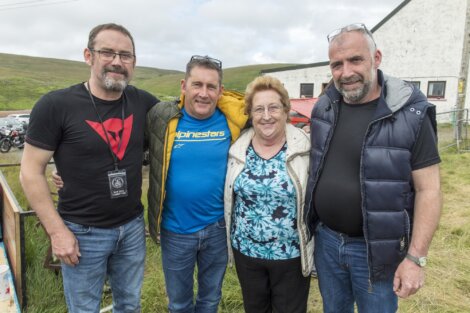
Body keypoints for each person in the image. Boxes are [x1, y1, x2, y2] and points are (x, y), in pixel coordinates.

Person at [303, 23, 442, 313]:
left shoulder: (410, 113)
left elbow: (429, 189)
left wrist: (416, 258)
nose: (346, 72)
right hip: (327, 243)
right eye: (336, 64)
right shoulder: (324, 109)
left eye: (355, 60)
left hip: (377, 253)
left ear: (376, 58)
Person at [19, 23, 158, 313]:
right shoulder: (56, 105)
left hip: (132, 227)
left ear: (134, 62)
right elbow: (30, 172)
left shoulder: (143, 102)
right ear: (88, 55)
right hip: (81, 231)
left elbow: (182, 124)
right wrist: (58, 233)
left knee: (130, 304)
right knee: (84, 309)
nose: (117, 62)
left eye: (126, 55)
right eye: (107, 52)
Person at [145, 55, 248, 313]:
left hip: (217, 229)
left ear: (220, 91)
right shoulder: (162, 119)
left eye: (211, 87)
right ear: (183, 86)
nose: (203, 93)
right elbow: (125, 151)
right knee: (179, 304)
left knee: (210, 300)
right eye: (197, 85)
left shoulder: (234, 122)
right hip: (176, 230)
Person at [224, 76, 314, 313]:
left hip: (290, 254)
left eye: (273, 107)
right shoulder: (237, 149)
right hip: (247, 253)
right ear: (250, 114)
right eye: (259, 109)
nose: (266, 116)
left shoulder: (305, 148)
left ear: (286, 110)